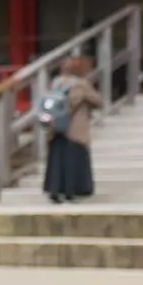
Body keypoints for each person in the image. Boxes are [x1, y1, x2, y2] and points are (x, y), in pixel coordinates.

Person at [42, 55, 104, 203]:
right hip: (74, 130)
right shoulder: (81, 84)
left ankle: (55, 190)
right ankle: (72, 191)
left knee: (57, 160)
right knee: (73, 160)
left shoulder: (55, 84)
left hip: (56, 127)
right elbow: (98, 101)